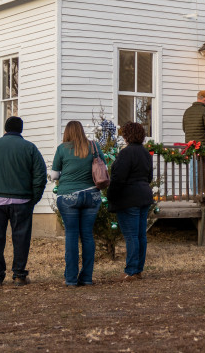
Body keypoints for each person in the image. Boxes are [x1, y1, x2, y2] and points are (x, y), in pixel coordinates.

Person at [0, 116, 47, 286]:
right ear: (21, 130)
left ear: (5, 129)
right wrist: (33, 198)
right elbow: (40, 176)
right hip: (22, 201)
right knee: (21, 239)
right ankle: (19, 275)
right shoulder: (30, 148)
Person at [50, 121, 106, 287]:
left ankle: (71, 279)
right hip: (92, 196)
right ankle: (87, 277)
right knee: (87, 235)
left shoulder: (62, 149)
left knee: (72, 236)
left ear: (67, 133)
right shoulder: (94, 146)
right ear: (82, 131)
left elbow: (54, 175)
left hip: (68, 196)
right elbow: (104, 167)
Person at [107, 122, 154, 282]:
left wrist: (111, 196)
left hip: (129, 198)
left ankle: (131, 270)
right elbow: (149, 177)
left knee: (131, 236)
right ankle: (138, 269)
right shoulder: (146, 154)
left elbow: (118, 178)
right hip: (144, 195)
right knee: (141, 235)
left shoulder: (126, 154)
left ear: (127, 136)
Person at [182, 89, 205, 194]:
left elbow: (184, 128)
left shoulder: (187, 111)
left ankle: (195, 192)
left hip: (190, 145)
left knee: (193, 169)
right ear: (204, 98)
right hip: (204, 145)